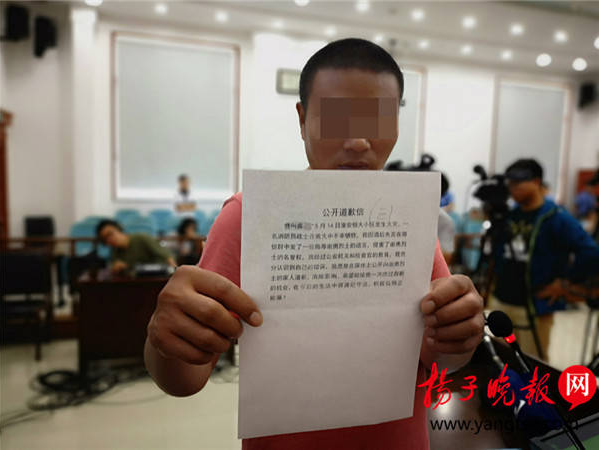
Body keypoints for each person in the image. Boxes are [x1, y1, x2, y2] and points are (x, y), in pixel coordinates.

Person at [144, 38, 484, 449]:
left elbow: (439, 360)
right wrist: (163, 339)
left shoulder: (407, 215)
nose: (358, 142)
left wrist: (461, 335)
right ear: (302, 118)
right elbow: (185, 379)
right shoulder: (251, 216)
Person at [490, 159, 599, 359]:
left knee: (531, 364)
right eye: (510, 184)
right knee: (500, 361)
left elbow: (591, 253)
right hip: (502, 301)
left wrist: (565, 283)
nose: (513, 189)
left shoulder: (556, 217)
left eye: (518, 183)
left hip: (534, 306)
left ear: (536, 182)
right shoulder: (510, 215)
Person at [96, 219, 176, 274]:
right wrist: (116, 268)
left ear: (119, 229)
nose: (109, 239)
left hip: (157, 276)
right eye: (105, 239)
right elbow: (114, 269)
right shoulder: (114, 250)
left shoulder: (142, 238)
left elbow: (168, 257)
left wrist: (174, 275)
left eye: (110, 234)